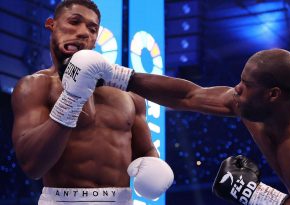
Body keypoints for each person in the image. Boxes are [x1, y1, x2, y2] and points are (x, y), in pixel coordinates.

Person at [122, 48, 290, 204]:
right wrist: (122, 78)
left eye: (246, 84)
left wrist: (258, 195)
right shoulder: (248, 106)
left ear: (273, 94)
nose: (236, 89)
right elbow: (188, 96)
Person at [11, 0, 173, 204]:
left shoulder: (127, 92)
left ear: (95, 39)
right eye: (74, 21)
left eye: (92, 28)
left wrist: (154, 166)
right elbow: (32, 166)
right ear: (51, 24)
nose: (83, 32)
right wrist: (70, 100)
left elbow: (146, 150)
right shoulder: (35, 86)